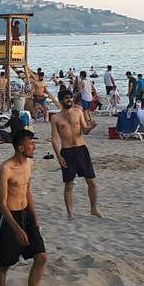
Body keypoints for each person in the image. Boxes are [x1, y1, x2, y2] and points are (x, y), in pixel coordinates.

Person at [0, 129, 48, 286]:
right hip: (9, 218)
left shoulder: (29, 164)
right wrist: (17, 230)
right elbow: (2, 204)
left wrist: (35, 218)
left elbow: (27, 192)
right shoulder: (6, 168)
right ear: (20, 147)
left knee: (41, 257)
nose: (34, 147)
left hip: (26, 215)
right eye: (31, 144)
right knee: (4, 265)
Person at [51, 90, 101, 220]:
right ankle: (70, 213)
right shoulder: (55, 118)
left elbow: (85, 131)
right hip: (67, 152)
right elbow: (55, 139)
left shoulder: (78, 112)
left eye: (71, 98)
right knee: (68, 185)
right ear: (61, 100)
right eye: (67, 98)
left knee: (91, 182)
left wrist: (91, 127)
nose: (70, 100)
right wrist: (58, 156)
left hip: (81, 150)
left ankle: (93, 208)